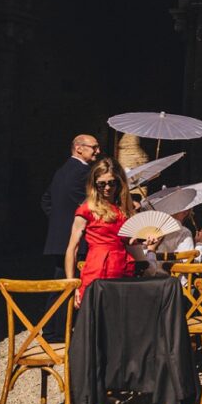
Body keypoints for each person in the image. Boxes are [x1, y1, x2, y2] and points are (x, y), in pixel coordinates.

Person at [64, 158, 150, 306]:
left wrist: (145, 241)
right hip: (98, 269)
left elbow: (129, 242)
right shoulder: (87, 209)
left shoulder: (124, 210)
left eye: (112, 183)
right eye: (102, 184)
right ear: (94, 184)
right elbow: (73, 248)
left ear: (119, 182)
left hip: (123, 268)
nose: (107, 188)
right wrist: (72, 285)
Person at [41, 134, 100, 338]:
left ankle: (53, 330)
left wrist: (60, 222)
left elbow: (46, 200)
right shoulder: (83, 172)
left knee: (61, 284)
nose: (98, 151)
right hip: (75, 239)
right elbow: (89, 205)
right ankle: (57, 331)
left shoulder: (62, 171)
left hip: (59, 237)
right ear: (79, 148)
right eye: (94, 147)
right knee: (71, 284)